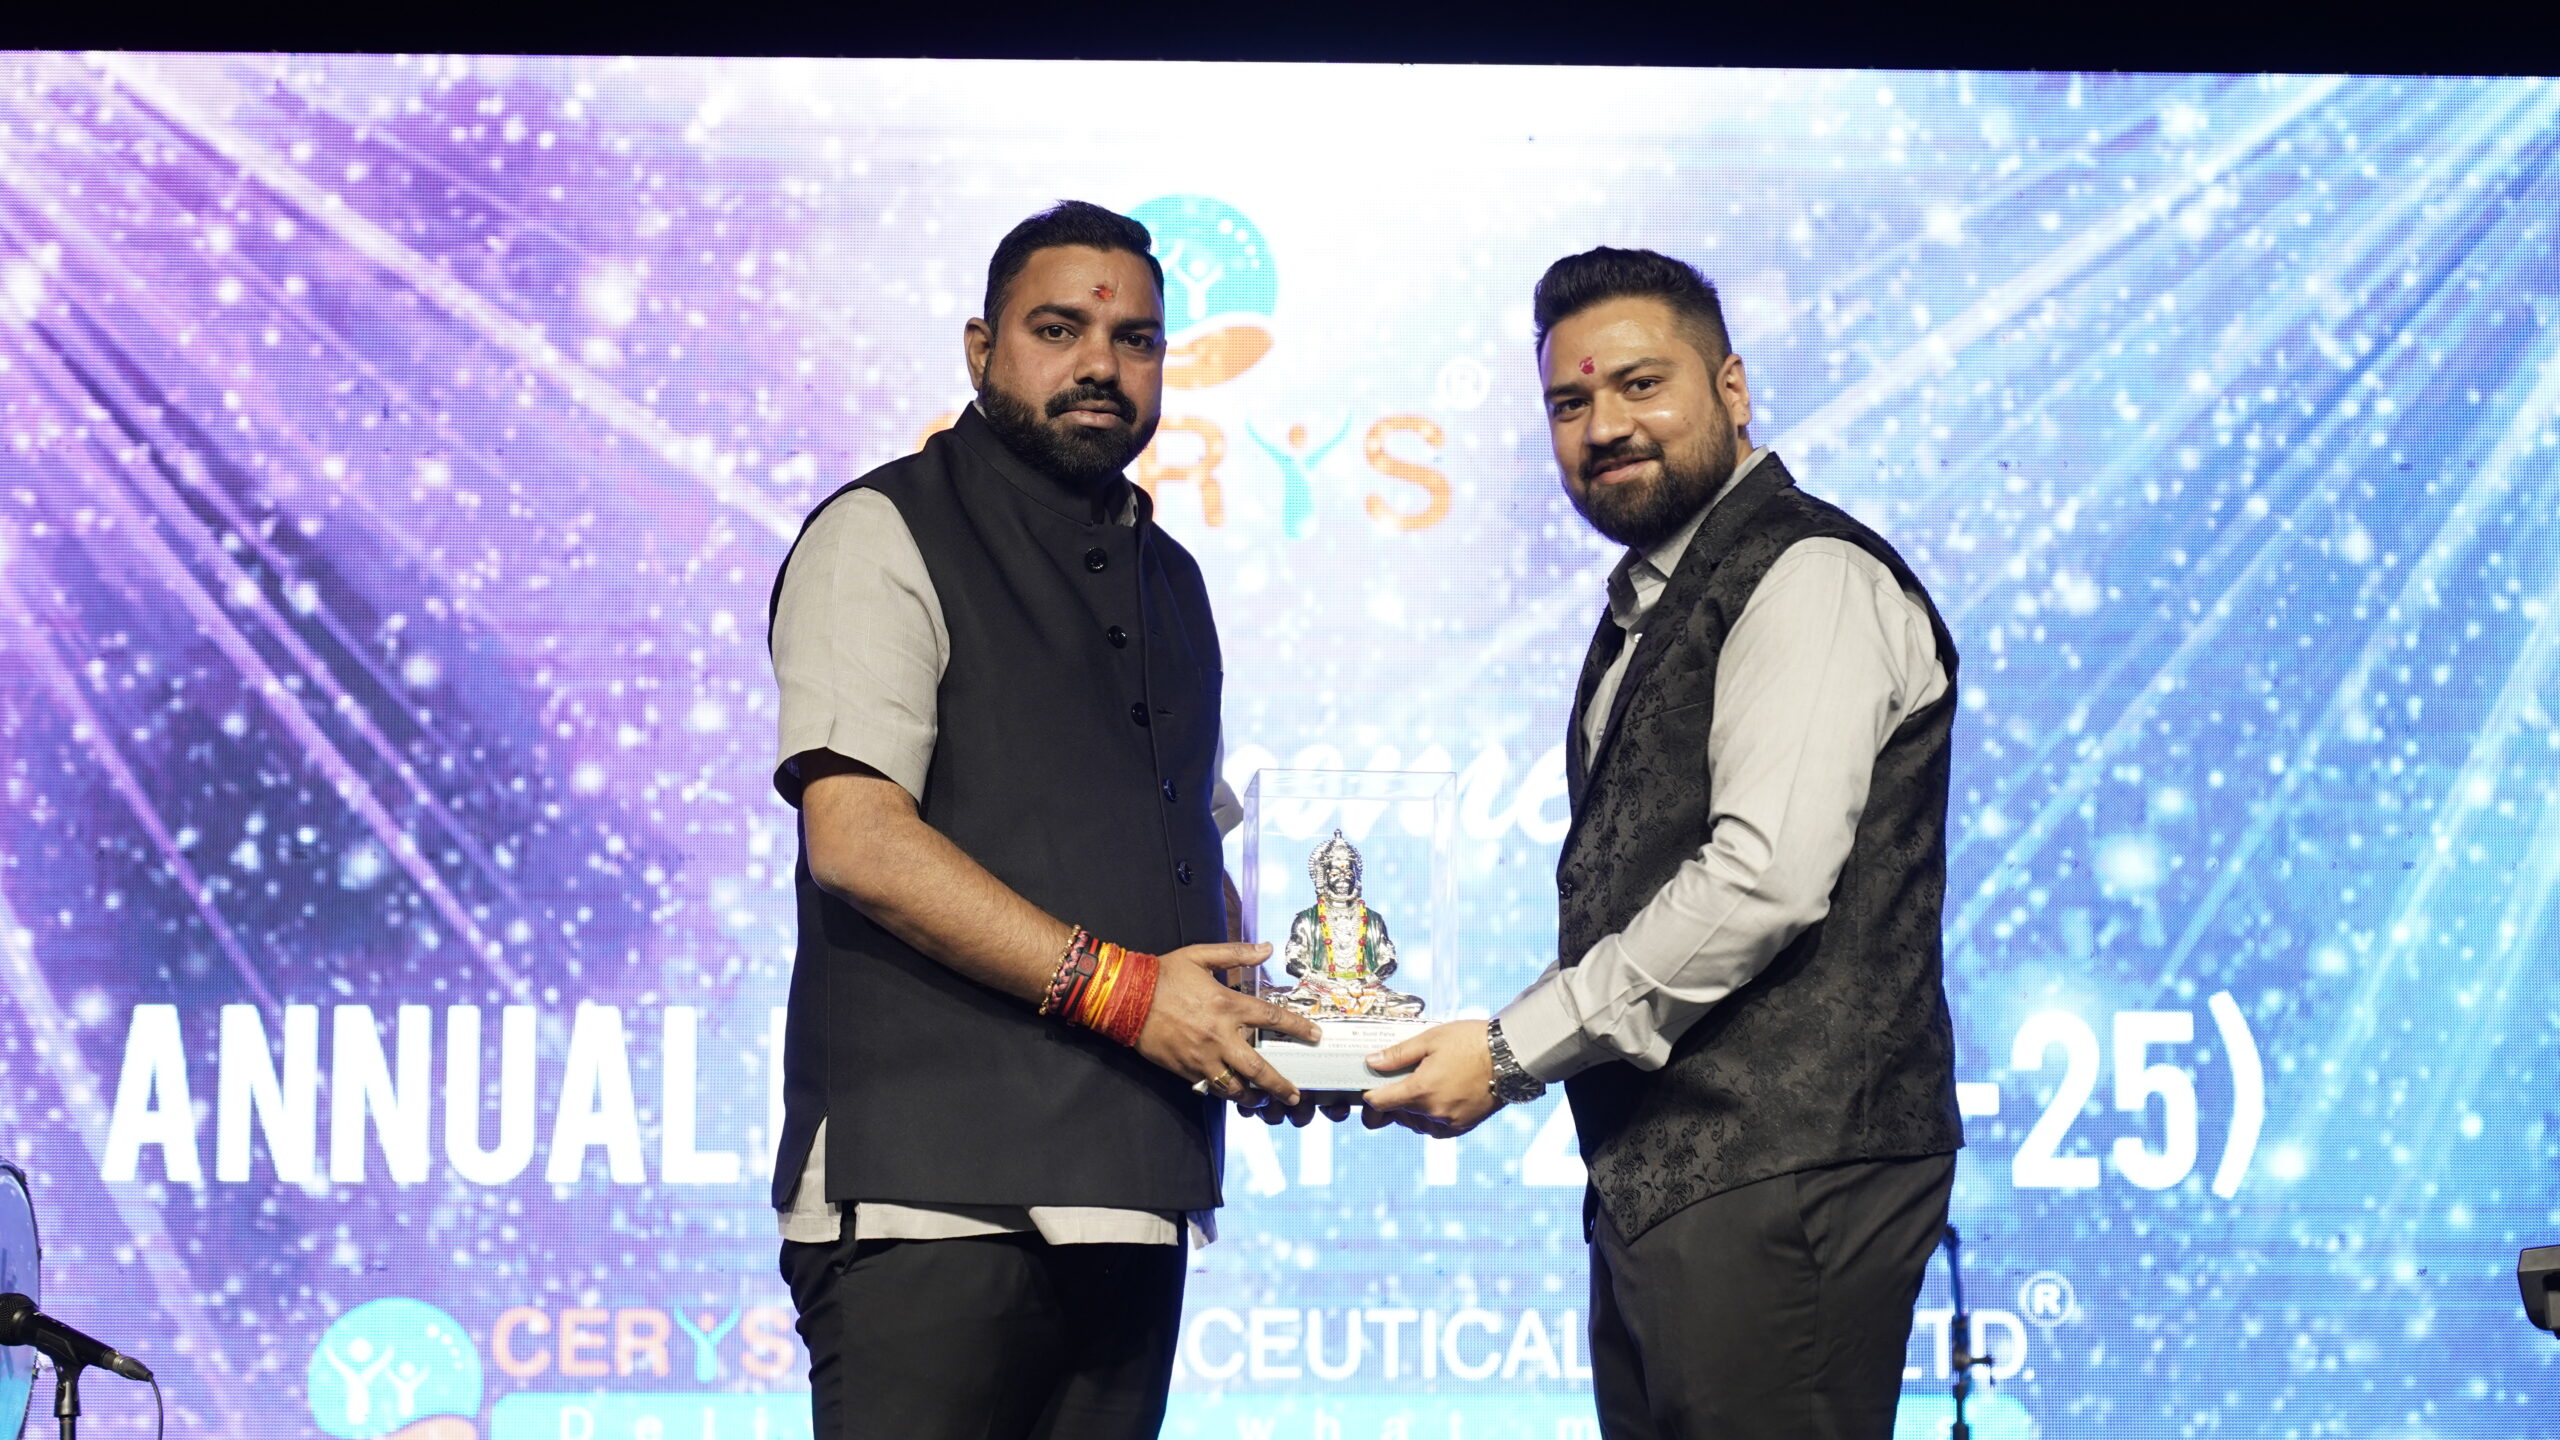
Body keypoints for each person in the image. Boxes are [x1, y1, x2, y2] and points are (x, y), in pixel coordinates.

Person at [1363, 247, 1965, 1440]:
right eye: (1569, 403)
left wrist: (1510, 1050)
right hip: (1677, 1189)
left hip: (1783, 1179)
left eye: (1642, 385)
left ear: (1732, 388)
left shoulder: (1807, 576)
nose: (1604, 427)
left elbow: (1763, 881)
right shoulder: (1651, 605)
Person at [765, 199, 1320, 1440]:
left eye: (1135, 340)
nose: (1099, 365)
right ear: (982, 349)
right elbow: (858, 840)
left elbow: (1188, 848)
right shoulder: (882, 530)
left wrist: (1282, 1023)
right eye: (1057, 330)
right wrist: (1130, 995)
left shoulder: (1169, 575)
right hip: (931, 1200)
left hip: (1134, 1187)